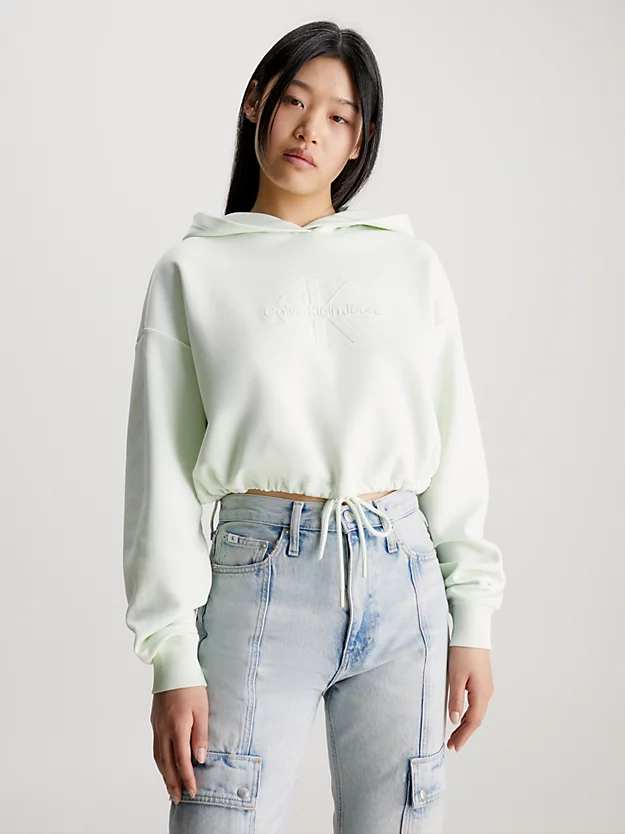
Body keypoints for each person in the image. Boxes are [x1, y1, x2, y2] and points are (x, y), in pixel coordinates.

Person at [122, 19, 505, 834]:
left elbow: (455, 448)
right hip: (259, 577)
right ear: (255, 103)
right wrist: (172, 660)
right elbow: (159, 477)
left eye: (338, 117)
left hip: (404, 580)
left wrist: (471, 619)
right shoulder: (193, 270)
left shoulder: (408, 266)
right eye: (294, 101)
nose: (309, 131)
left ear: (359, 142)